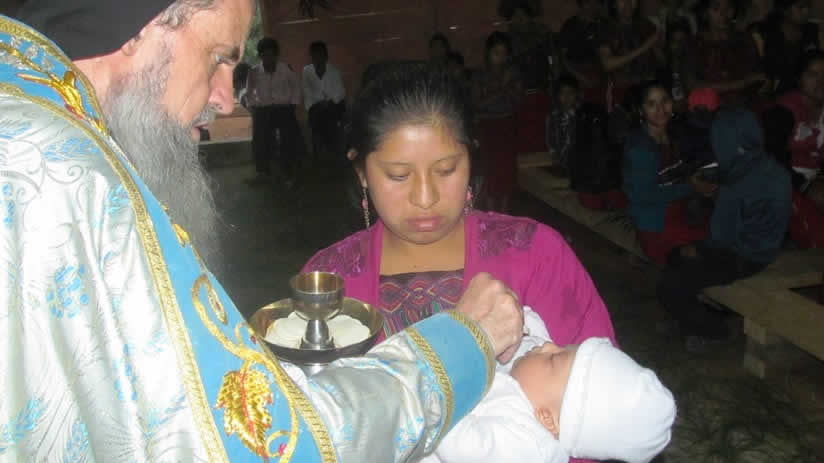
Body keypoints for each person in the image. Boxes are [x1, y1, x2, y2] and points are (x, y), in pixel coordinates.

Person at [0, 2, 526, 462]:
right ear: (140, 26)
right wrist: (464, 342)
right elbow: (258, 442)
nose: (226, 99)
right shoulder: (65, 175)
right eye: (218, 58)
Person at [302, 65, 617, 404]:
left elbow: (604, 398)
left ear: (470, 158)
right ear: (361, 171)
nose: (426, 198)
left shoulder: (537, 255)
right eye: (398, 175)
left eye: (446, 170)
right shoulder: (327, 285)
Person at [422, 309, 676, 463]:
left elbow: (462, 447)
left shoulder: (526, 446)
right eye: (563, 348)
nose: (548, 345)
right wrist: (521, 321)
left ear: (547, 419)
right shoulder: (535, 387)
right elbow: (537, 341)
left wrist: (438, 389)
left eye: (553, 359)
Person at [657, 108, 791, 347]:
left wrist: (698, 249)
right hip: (768, 248)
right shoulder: (771, 167)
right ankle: (691, 317)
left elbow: (720, 238)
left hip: (742, 257)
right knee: (685, 263)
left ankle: (714, 330)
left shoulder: (736, 182)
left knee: (673, 274)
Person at [622, 82, 717, 267]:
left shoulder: (673, 134)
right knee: (701, 257)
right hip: (656, 222)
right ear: (641, 110)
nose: (660, 109)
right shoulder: (640, 148)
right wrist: (691, 187)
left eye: (664, 101)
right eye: (652, 104)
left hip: (681, 211)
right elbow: (645, 195)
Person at [777, 51, 824, 247]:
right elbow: (774, 158)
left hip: (817, 177)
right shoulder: (784, 110)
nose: (820, 81)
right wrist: (805, 186)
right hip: (788, 181)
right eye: (812, 74)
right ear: (799, 79)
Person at [473, 31, 523, 212]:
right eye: (496, 53)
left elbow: (519, 99)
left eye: (504, 53)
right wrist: (502, 87)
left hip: (508, 124)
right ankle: (490, 214)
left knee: (506, 171)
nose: (500, 58)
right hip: (488, 127)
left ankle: (505, 214)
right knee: (491, 171)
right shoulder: (480, 75)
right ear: (488, 53)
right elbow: (477, 103)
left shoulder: (512, 73)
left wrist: (508, 87)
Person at [246, 37, 304, 186]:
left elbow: (296, 86)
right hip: (264, 109)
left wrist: (294, 104)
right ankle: (262, 171)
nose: (269, 59)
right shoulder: (254, 72)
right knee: (259, 135)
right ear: (260, 56)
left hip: (283, 108)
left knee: (289, 134)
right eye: (265, 55)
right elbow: (249, 92)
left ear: (276, 55)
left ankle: (288, 171)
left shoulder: (285, 69)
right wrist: (254, 107)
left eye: (271, 55)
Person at [693, 0, 766, 106]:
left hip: (746, 105)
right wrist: (742, 83)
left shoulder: (745, 40)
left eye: (729, 8)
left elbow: (758, 76)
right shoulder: (695, 44)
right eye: (716, 8)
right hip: (709, 109)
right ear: (705, 12)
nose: (723, 13)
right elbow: (692, 84)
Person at [599, 0, 663, 109]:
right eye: (622, 0)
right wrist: (644, 47)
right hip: (621, 90)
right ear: (614, 3)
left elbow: (662, 61)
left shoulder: (646, 24)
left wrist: (657, 47)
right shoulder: (606, 27)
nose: (628, 3)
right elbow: (607, 64)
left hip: (647, 88)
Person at [754, 0, 821, 94]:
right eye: (801, 7)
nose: (806, 11)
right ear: (785, 10)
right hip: (776, 88)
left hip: (806, 87)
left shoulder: (811, 31)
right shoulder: (768, 33)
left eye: (808, 7)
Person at [303, 41, 346, 164]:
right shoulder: (306, 71)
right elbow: (307, 92)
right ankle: (320, 157)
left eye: (320, 55)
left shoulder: (334, 72)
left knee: (329, 118)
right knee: (316, 118)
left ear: (326, 56)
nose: (317, 59)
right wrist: (318, 103)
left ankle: (332, 154)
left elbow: (341, 92)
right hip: (316, 106)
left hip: (334, 104)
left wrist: (329, 101)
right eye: (314, 56)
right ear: (311, 57)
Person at [559, 0, 607, 105]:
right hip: (577, 78)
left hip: (599, 78)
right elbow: (562, 58)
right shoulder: (570, 26)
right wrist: (581, 77)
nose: (592, 6)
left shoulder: (603, 24)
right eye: (588, 2)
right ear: (581, 4)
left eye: (596, 2)